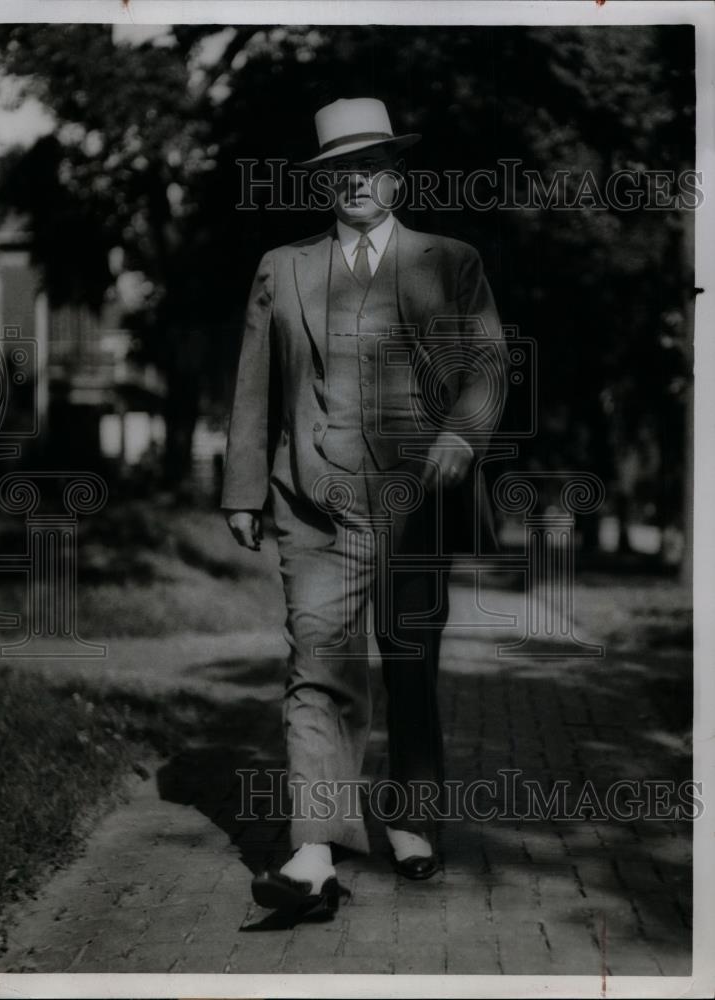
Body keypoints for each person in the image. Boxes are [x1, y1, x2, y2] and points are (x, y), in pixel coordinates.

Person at [223, 97, 508, 917]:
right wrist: (244, 487)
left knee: (407, 659)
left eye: (370, 165)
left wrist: (460, 436)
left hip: (417, 500)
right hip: (310, 500)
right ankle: (314, 855)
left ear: (396, 175)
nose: (355, 180)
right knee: (317, 663)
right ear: (323, 183)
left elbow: (487, 365)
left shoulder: (449, 261)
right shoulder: (283, 266)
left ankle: (413, 819)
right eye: (338, 169)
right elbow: (253, 384)